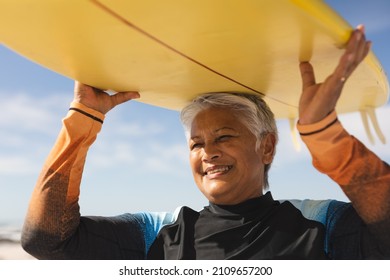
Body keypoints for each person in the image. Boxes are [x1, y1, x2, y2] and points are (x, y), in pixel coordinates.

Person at [21, 25, 389, 259]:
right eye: (196, 144)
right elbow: (46, 241)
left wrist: (323, 134)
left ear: (267, 146)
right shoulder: (159, 234)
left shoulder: (319, 226)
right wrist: (83, 121)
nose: (207, 152)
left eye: (224, 136)